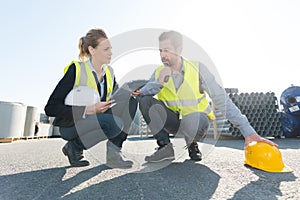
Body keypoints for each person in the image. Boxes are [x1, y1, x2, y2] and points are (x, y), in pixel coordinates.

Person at [132, 30, 277, 162]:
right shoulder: (159, 72)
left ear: (179, 50)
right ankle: (165, 148)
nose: (162, 55)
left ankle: (192, 144)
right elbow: (144, 94)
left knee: (195, 119)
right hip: (173, 122)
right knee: (145, 100)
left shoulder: (197, 69)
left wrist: (248, 131)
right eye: (160, 51)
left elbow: (221, 98)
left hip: (196, 123)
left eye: (167, 50)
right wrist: (158, 82)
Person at [45, 28, 137, 168]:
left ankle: (114, 154)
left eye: (110, 48)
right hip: (72, 124)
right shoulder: (76, 69)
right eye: (106, 49)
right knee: (113, 124)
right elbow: (51, 108)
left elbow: (116, 98)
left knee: (131, 101)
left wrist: (131, 92)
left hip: (97, 118)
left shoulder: (109, 73)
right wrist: (87, 110)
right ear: (92, 50)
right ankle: (74, 147)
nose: (111, 53)